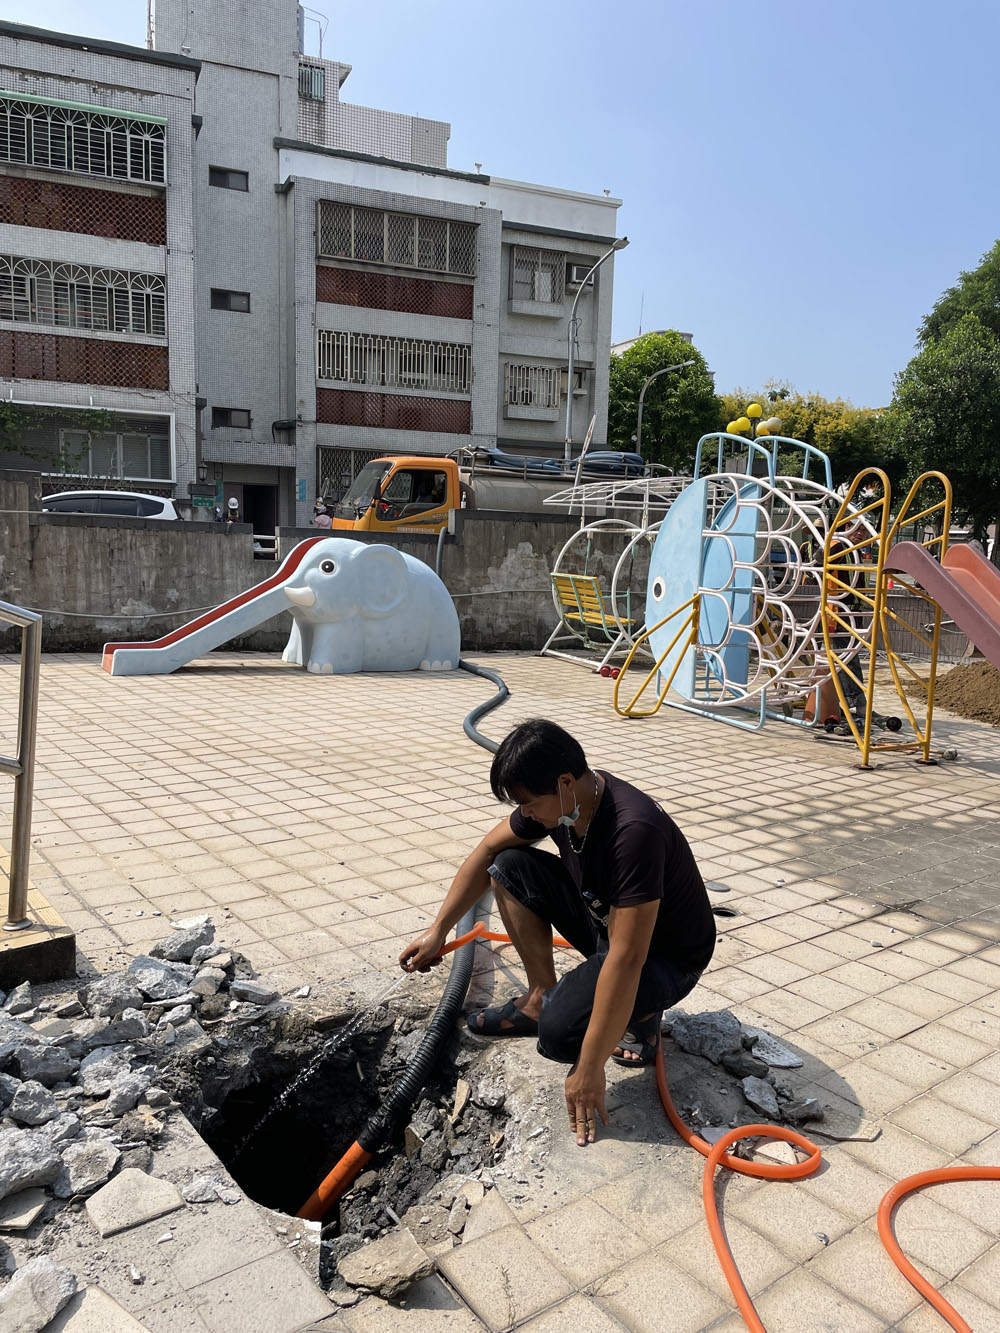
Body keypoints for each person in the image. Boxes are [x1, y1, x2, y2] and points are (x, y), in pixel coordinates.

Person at [399, 719, 715, 1147]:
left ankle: (642, 1015)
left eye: (529, 804)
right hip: (607, 923)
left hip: (666, 958)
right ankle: (537, 997)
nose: (525, 813)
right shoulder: (566, 802)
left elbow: (627, 959)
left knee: (559, 1035)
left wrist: (589, 1069)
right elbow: (488, 849)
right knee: (508, 866)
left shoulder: (632, 832)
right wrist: (438, 930)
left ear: (565, 782)